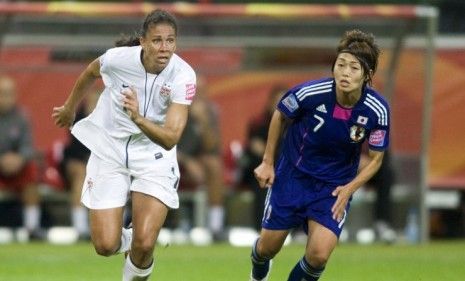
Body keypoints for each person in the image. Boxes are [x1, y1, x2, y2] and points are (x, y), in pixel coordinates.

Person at [52, 9, 196, 281]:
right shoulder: (118, 59)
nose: (164, 48)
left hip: (153, 154)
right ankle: (138, 235)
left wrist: (138, 118)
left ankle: (143, 239)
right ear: (143, 41)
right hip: (110, 150)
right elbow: (90, 71)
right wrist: (70, 109)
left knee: (143, 246)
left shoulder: (183, 75)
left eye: (170, 41)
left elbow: (170, 138)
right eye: (157, 40)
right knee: (105, 246)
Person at [249, 29, 389, 281]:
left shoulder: (376, 110)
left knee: (318, 256)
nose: (345, 73)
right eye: (341, 65)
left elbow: (377, 158)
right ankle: (258, 266)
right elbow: (280, 113)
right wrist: (268, 162)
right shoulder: (310, 94)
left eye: (354, 68)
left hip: (333, 188)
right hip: (293, 178)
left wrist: (350, 188)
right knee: (267, 248)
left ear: (367, 75)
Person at [177, 76, 225, 239]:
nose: (199, 96)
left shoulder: (209, 112)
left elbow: (212, 147)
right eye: (196, 91)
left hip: (197, 162)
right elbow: (164, 142)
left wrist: (203, 121)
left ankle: (215, 226)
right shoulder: (175, 108)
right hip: (170, 157)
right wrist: (186, 160)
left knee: (214, 164)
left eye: (202, 92)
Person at [0, 75, 43, 239]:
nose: (5, 98)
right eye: (2, 93)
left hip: (17, 167)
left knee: (31, 171)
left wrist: (19, 159)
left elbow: (28, 146)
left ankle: (32, 228)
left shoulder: (22, 117)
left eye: (9, 93)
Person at [240, 85, 287, 231]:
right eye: (277, 102)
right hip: (261, 169)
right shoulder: (259, 123)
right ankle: (261, 229)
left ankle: (296, 231)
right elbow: (254, 148)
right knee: (263, 182)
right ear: (270, 102)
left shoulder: (296, 124)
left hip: (287, 169)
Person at [60, 90, 99, 240]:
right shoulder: (78, 120)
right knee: (81, 174)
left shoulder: (113, 123)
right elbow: (75, 149)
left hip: (104, 165)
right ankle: (80, 227)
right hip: (77, 162)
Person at [360, 148, 397, 243]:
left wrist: (372, 163)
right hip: (346, 166)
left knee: (386, 174)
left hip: (372, 169)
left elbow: (383, 155)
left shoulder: (377, 133)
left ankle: (382, 223)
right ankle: (334, 222)